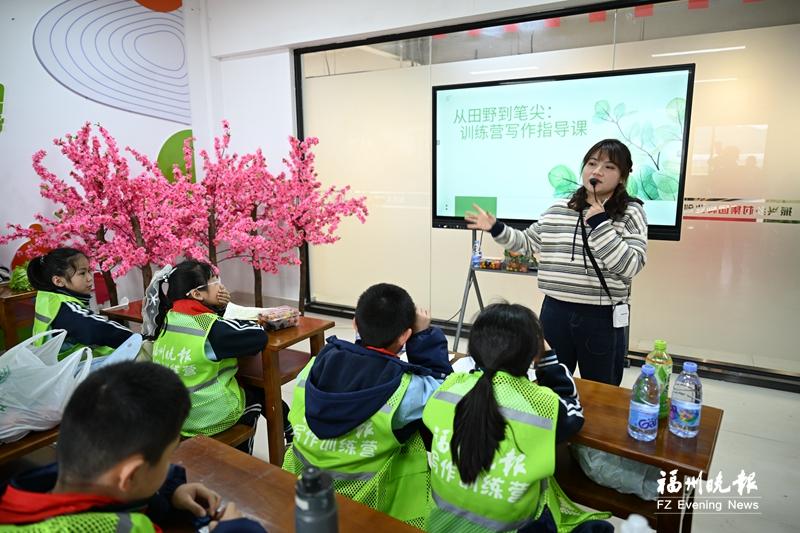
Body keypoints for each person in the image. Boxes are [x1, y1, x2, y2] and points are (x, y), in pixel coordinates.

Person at [0, 361, 264, 532]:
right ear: (131, 475)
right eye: (168, 456)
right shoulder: (130, 528)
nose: (169, 464)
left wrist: (166, 493)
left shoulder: (21, 490)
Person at [466, 139, 647, 385]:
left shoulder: (631, 212)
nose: (596, 171)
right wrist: (496, 228)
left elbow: (630, 265)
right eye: (592, 163)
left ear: (623, 177)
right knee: (548, 382)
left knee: (602, 386)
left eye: (609, 167)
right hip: (555, 311)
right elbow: (527, 244)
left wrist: (601, 224)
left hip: (601, 316)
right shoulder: (558, 208)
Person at [422, 303, 612, 532]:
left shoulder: (450, 387)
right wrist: (548, 359)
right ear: (534, 355)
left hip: (441, 523)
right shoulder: (542, 403)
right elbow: (573, 412)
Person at [282, 283, 452, 528]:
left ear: (354, 324)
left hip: (307, 492)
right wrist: (424, 336)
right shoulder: (405, 390)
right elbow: (441, 389)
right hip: (372, 505)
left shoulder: (317, 364)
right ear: (406, 335)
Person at [149, 260, 278, 455]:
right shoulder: (210, 327)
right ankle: (242, 460)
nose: (220, 285)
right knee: (258, 395)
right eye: (213, 281)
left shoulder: (166, 318)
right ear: (197, 293)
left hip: (177, 416)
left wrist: (217, 308)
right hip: (208, 417)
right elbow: (257, 337)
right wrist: (222, 309)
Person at [27, 247, 133, 358]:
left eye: (89, 271)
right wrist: (137, 339)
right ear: (58, 281)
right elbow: (97, 328)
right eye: (82, 273)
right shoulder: (65, 308)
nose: (89, 278)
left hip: (57, 364)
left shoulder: (47, 298)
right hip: (76, 368)